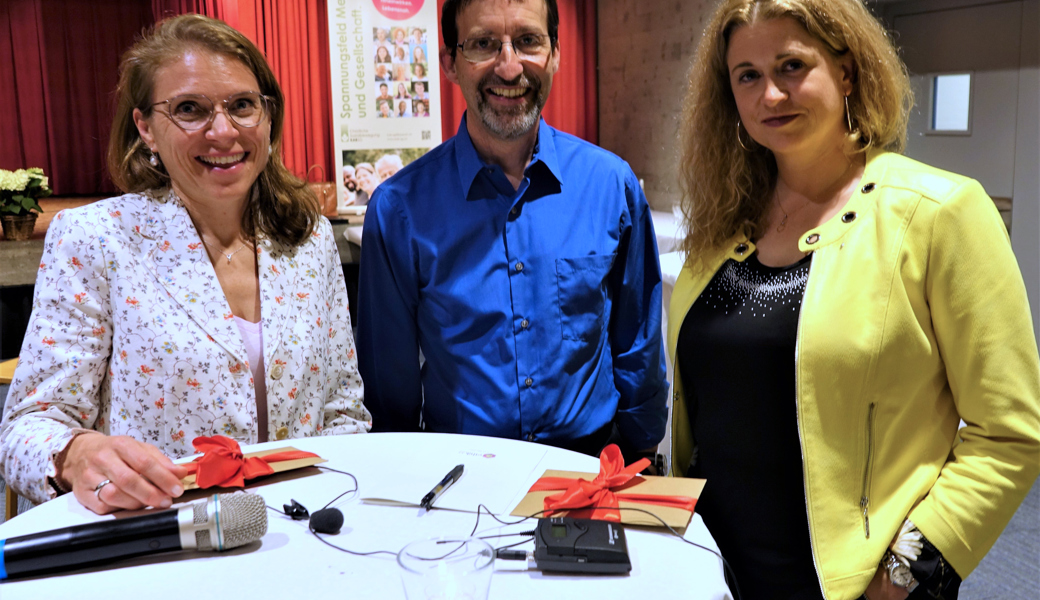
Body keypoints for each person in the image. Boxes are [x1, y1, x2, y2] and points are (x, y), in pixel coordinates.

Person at [670, 1, 1040, 599]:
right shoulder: (721, 226)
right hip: (710, 570)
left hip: (848, 585)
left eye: (791, 65)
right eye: (748, 75)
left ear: (846, 72)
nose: (770, 95)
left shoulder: (936, 214)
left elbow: (1010, 431)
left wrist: (904, 573)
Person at [0, 14, 371, 513]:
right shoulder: (97, 240)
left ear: (267, 115)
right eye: (190, 109)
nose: (222, 131)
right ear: (146, 128)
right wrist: (76, 453)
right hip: (161, 542)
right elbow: (25, 427)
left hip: (301, 538)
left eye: (242, 105)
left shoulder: (309, 239)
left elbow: (343, 409)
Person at [357, 0, 668, 458]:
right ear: (450, 63)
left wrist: (638, 462)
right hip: (461, 484)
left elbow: (638, 349)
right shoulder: (399, 209)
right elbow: (389, 395)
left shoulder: (610, 185)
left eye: (527, 41)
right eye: (484, 44)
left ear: (555, 54)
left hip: (590, 471)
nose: (508, 67)